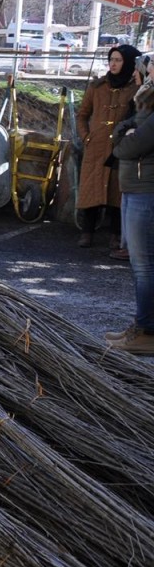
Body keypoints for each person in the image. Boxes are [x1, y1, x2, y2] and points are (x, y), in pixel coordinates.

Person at [108, 54, 154, 354]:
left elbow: (128, 147)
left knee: (144, 266)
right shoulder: (147, 105)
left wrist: (125, 134)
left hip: (146, 193)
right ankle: (142, 325)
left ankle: (147, 331)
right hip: (137, 189)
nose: (147, 70)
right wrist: (126, 130)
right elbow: (123, 132)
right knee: (142, 266)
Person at [76, 44, 139, 252]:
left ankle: (115, 235)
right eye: (111, 59)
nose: (113, 64)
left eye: (119, 60)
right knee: (91, 189)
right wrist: (86, 137)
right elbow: (82, 115)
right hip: (96, 147)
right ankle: (87, 232)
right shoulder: (97, 86)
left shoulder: (135, 88)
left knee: (116, 191)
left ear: (128, 62)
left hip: (121, 148)